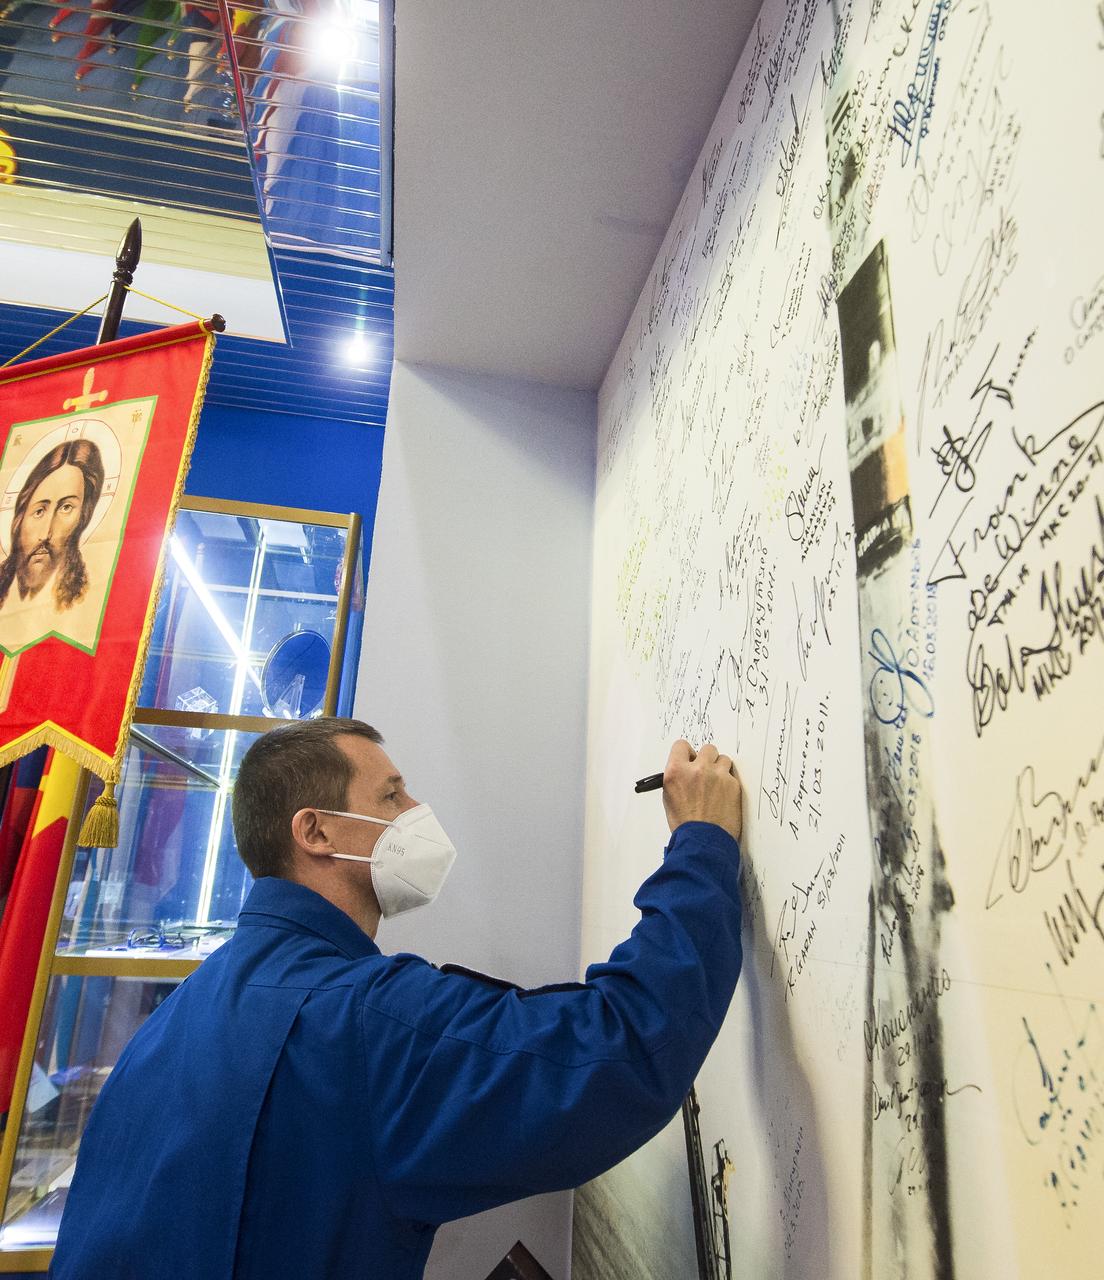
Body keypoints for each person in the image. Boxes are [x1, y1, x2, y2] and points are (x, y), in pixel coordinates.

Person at [50, 718, 744, 1279]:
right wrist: (701, 842)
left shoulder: (179, 1015)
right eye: (392, 797)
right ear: (315, 831)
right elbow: (620, 1049)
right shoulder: (360, 1021)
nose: (417, 814)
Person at [0, 438, 105, 639]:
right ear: (20, 518)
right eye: (39, 511)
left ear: (83, 518)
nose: (46, 533)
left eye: (66, 508)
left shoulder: (80, 602)